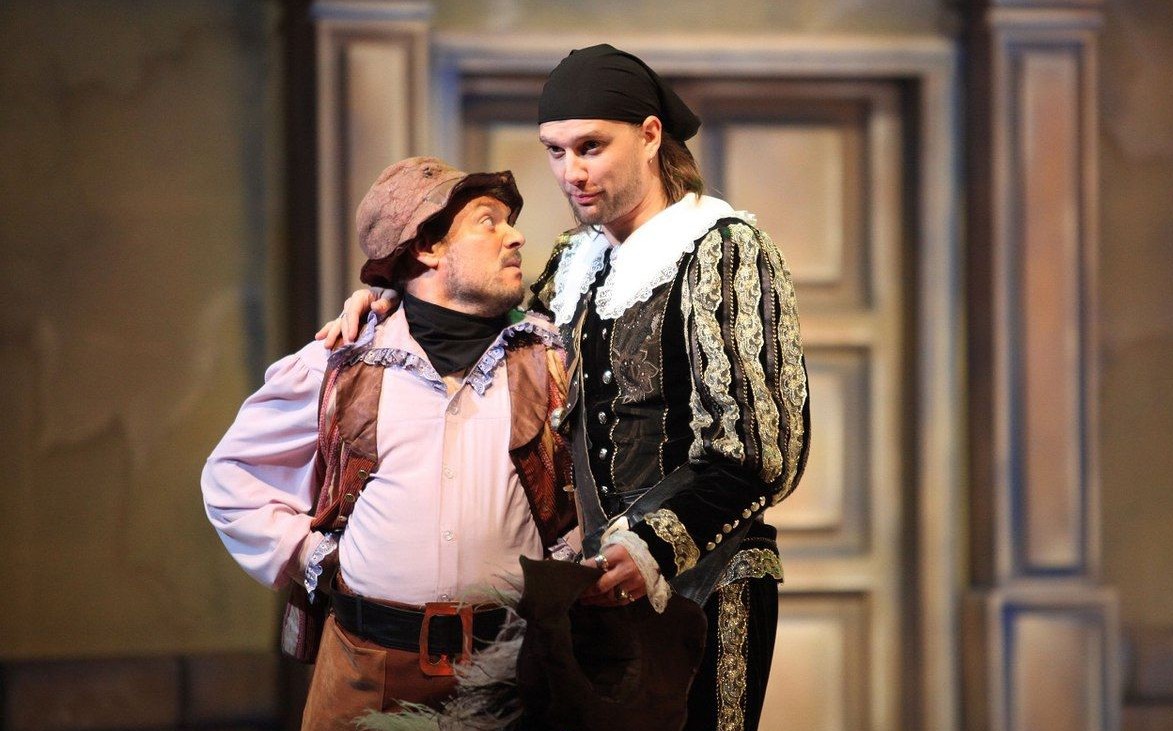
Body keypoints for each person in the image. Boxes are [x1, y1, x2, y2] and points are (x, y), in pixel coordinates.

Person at [324, 43, 810, 731]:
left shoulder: (721, 249)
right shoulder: (577, 263)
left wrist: (652, 546)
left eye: (590, 147)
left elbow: (762, 451)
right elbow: (493, 342)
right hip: (593, 595)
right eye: (555, 151)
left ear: (650, 136)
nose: (570, 173)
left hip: (706, 585)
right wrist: (392, 303)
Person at [202, 157, 576, 730]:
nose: (515, 235)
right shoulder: (342, 363)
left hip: (513, 670)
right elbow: (232, 477)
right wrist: (312, 555)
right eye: (488, 221)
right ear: (427, 246)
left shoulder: (548, 358)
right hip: (369, 669)